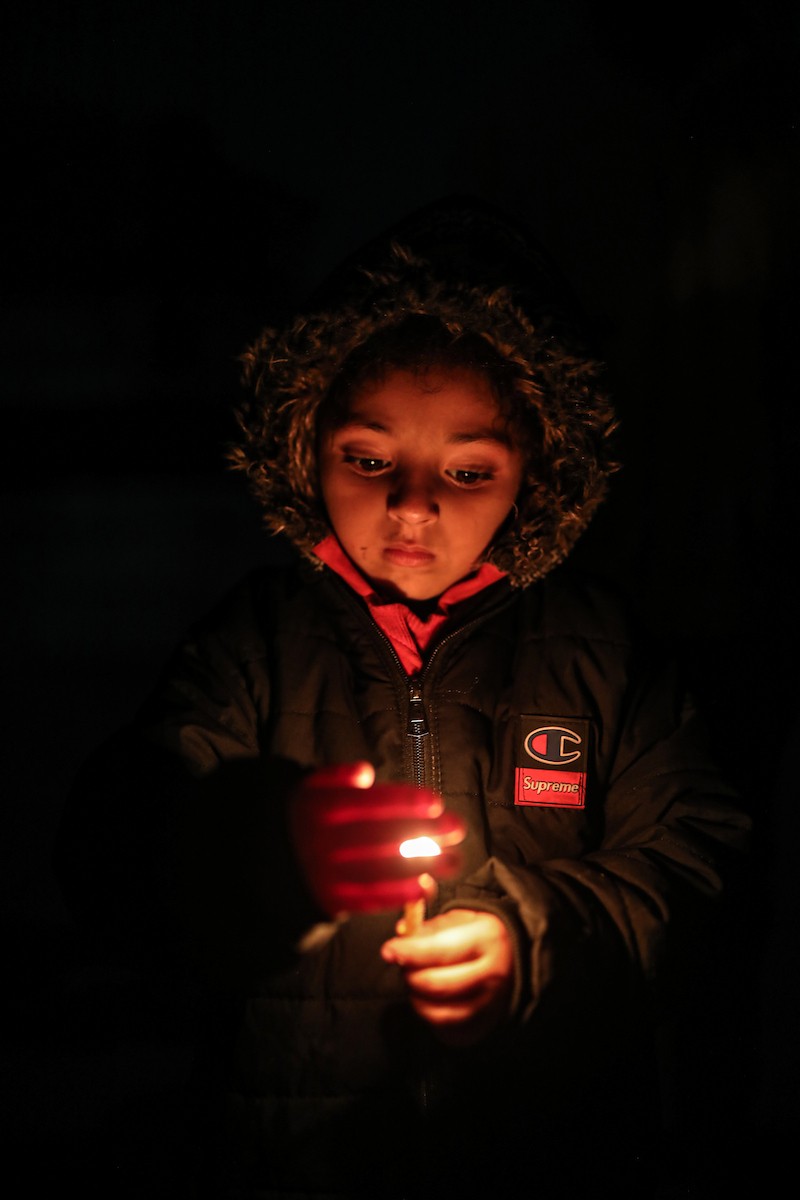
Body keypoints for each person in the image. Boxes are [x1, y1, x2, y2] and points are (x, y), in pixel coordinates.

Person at [54, 197, 750, 1199]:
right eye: (370, 459)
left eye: (467, 470)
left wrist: (530, 940)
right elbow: (119, 847)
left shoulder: (600, 651)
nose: (412, 504)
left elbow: (699, 865)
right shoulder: (257, 643)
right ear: (306, 445)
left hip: (548, 1169)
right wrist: (266, 846)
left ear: (538, 475)